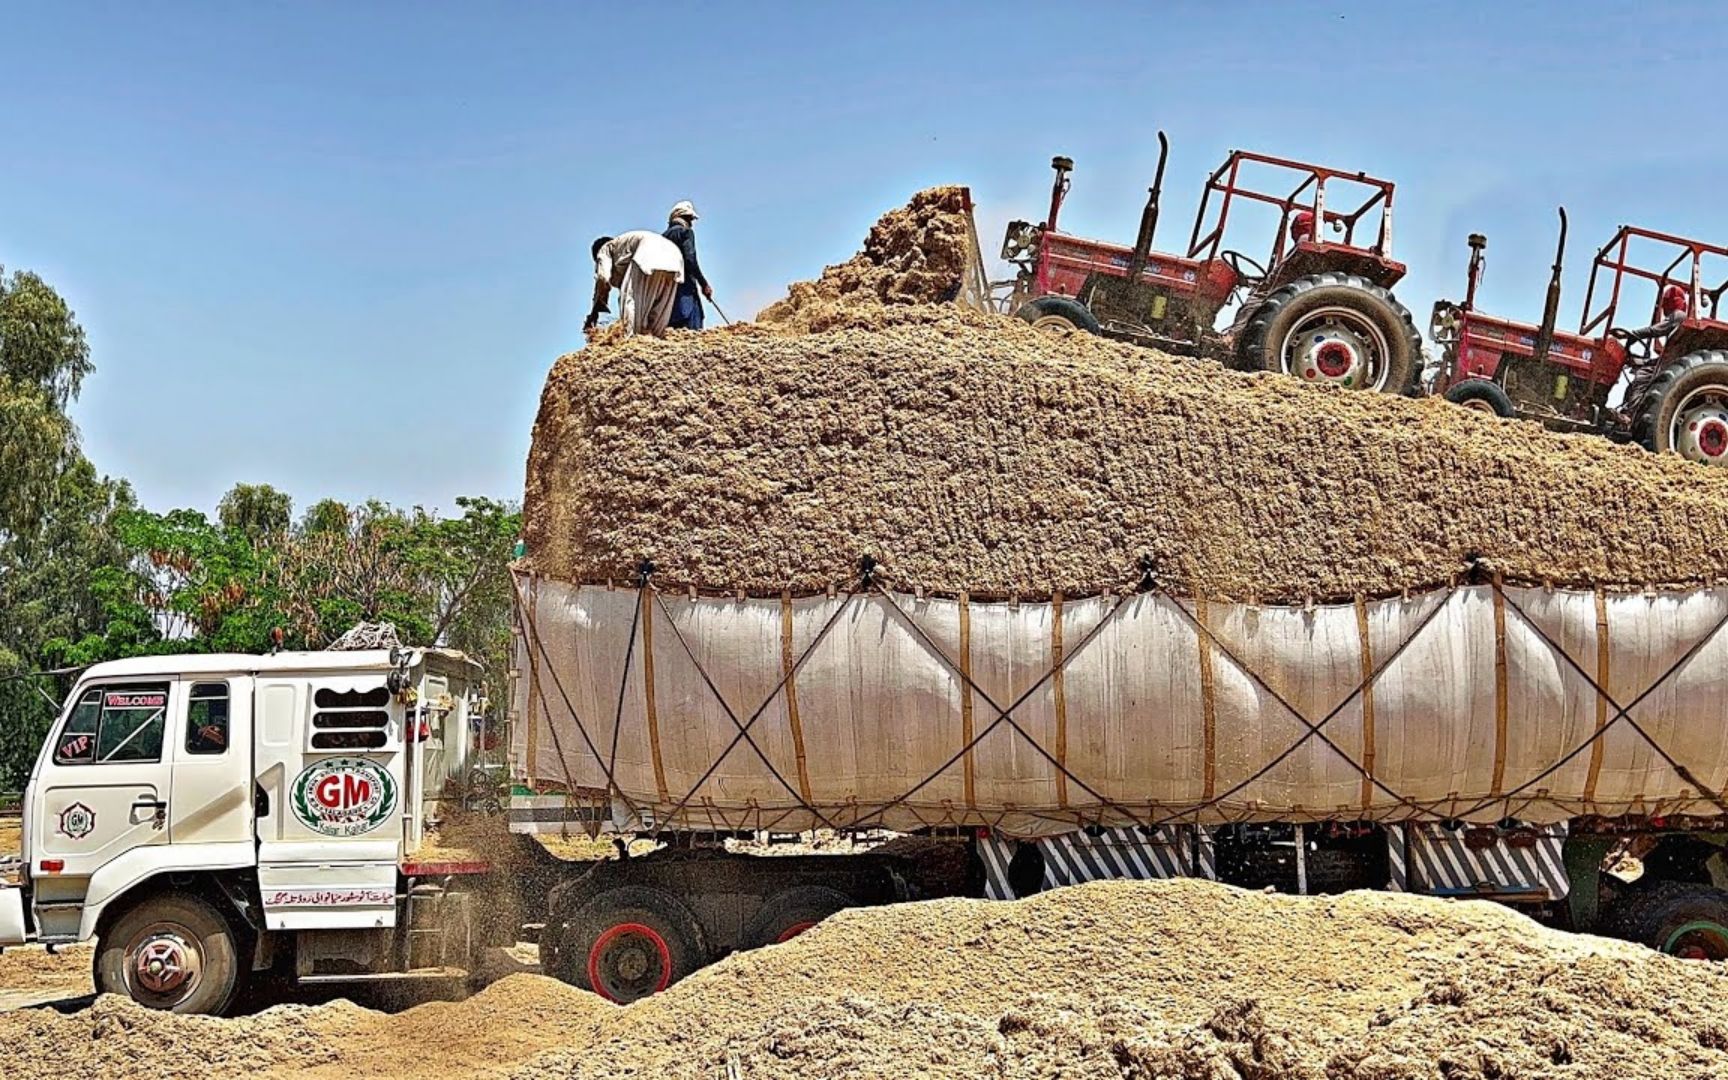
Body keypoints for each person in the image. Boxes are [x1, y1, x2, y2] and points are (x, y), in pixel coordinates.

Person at [585, 231, 686, 337]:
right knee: (660, 309)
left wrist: (596, 308)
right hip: (675, 257)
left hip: (647, 253)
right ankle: (654, 339)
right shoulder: (624, 247)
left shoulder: (604, 249)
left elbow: (603, 277)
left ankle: (632, 340)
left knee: (630, 300)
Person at [1615, 283, 1690, 413]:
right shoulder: (1679, 322)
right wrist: (1639, 361)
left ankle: (1631, 413)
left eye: (1666, 303)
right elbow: (1662, 358)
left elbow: (1654, 330)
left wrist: (1632, 335)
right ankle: (1626, 409)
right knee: (1638, 373)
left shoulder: (1678, 316)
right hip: (1670, 363)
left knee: (1642, 375)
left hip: (1672, 365)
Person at [663, 200, 714, 331]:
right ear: (686, 218)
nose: (692, 223)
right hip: (685, 293)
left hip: (666, 295)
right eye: (691, 219)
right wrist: (704, 284)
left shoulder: (663, 237)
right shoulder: (685, 232)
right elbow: (690, 259)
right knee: (693, 326)